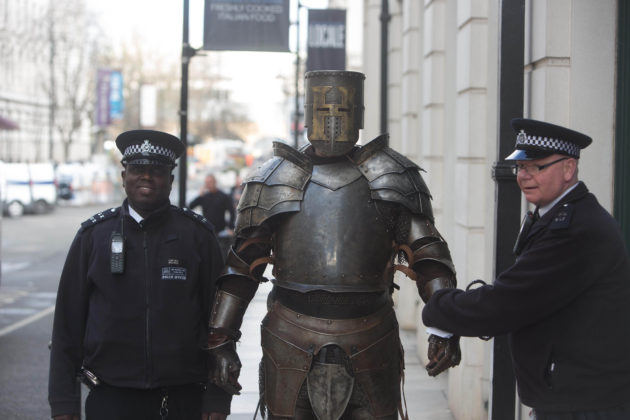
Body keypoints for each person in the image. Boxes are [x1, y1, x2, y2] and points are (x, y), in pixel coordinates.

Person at [205, 70, 461, 420]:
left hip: (371, 335)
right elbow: (241, 268)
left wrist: (444, 327)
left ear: (357, 112)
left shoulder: (390, 174)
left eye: (341, 109)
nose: (333, 118)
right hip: (290, 335)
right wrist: (221, 340)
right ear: (310, 110)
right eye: (324, 109)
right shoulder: (276, 178)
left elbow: (428, 256)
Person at [422, 118, 630, 419]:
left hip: (585, 405)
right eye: (520, 167)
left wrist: (438, 308)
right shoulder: (556, 215)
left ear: (569, 168)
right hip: (571, 398)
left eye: (537, 167)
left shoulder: (575, 229)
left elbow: (508, 302)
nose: (524, 176)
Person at [48, 130, 232, 420]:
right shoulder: (93, 236)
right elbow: (66, 325)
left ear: (170, 180)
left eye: (157, 171)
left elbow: (220, 321)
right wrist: (63, 402)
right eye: (137, 169)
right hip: (110, 398)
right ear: (124, 177)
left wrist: (218, 397)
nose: (146, 177)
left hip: (182, 398)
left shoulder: (197, 236)